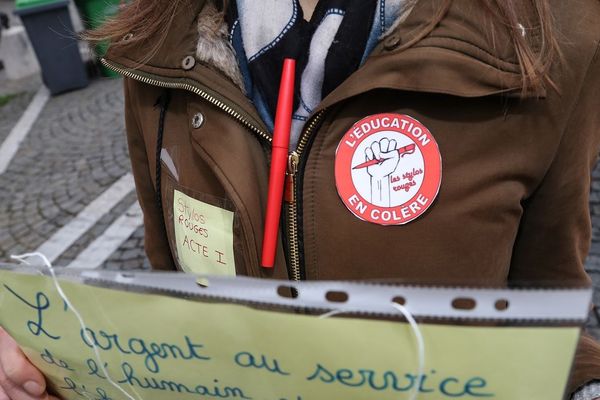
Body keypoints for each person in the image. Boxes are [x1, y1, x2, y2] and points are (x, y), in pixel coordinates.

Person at [2, 0, 600, 398]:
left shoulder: (554, 28)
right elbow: (170, 305)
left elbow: (548, 310)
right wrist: (50, 367)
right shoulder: (158, 36)